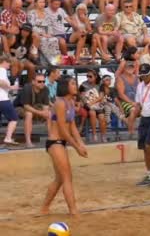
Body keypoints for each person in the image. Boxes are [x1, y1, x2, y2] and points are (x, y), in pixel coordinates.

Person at [40, 75, 88, 216]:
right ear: (65, 86)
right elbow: (62, 129)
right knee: (67, 177)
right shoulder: (60, 103)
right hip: (55, 143)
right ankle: (73, 211)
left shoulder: (71, 102)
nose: (75, 86)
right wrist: (76, 147)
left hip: (61, 143)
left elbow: (72, 127)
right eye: (73, 83)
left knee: (60, 178)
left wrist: (81, 144)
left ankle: (44, 208)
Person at [20, 73, 51, 148]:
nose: (42, 83)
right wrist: (40, 113)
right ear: (33, 81)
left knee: (49, 113)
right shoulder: (27, 88)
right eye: (39, 81)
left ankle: (51, 139)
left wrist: (45, 112)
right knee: (29, 114)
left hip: (36, 107)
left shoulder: (45, 89)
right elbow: (26, 106)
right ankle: (28, 141)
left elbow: (46, 105)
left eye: (43, 81)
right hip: (20, 107)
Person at [79, 70, 106, 142]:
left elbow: (101, 96)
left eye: (90, 76)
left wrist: (92, 102)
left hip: (97, 104)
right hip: (88, 105)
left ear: (95, 77)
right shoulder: (83, 84)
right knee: (92, 113)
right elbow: (81, 96)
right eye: (87, 76)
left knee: (101, 117)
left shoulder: (100, 85)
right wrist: (87, 103)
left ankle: (103, 135)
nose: (88, 78)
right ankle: (94, 134)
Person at [115, 62, 139, 138]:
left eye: (132, 67)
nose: (130, 69)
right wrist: (131, 102)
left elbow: (140, 91)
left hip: (136, 101)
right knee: (133, 110)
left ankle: (128, 123)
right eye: (128, 67)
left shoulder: (136, 77)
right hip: (125, 101)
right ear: (124, 68)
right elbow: (121, 94)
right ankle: (131, 132)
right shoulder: (120, 78)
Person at [0, 55, 20, 145]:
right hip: (3, 99)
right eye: (9, 63)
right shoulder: (2, 70)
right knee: (13, 118)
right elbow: (1, 82)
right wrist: (11, 87)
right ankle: (8, 138)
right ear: (4, 61)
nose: (10, 65)